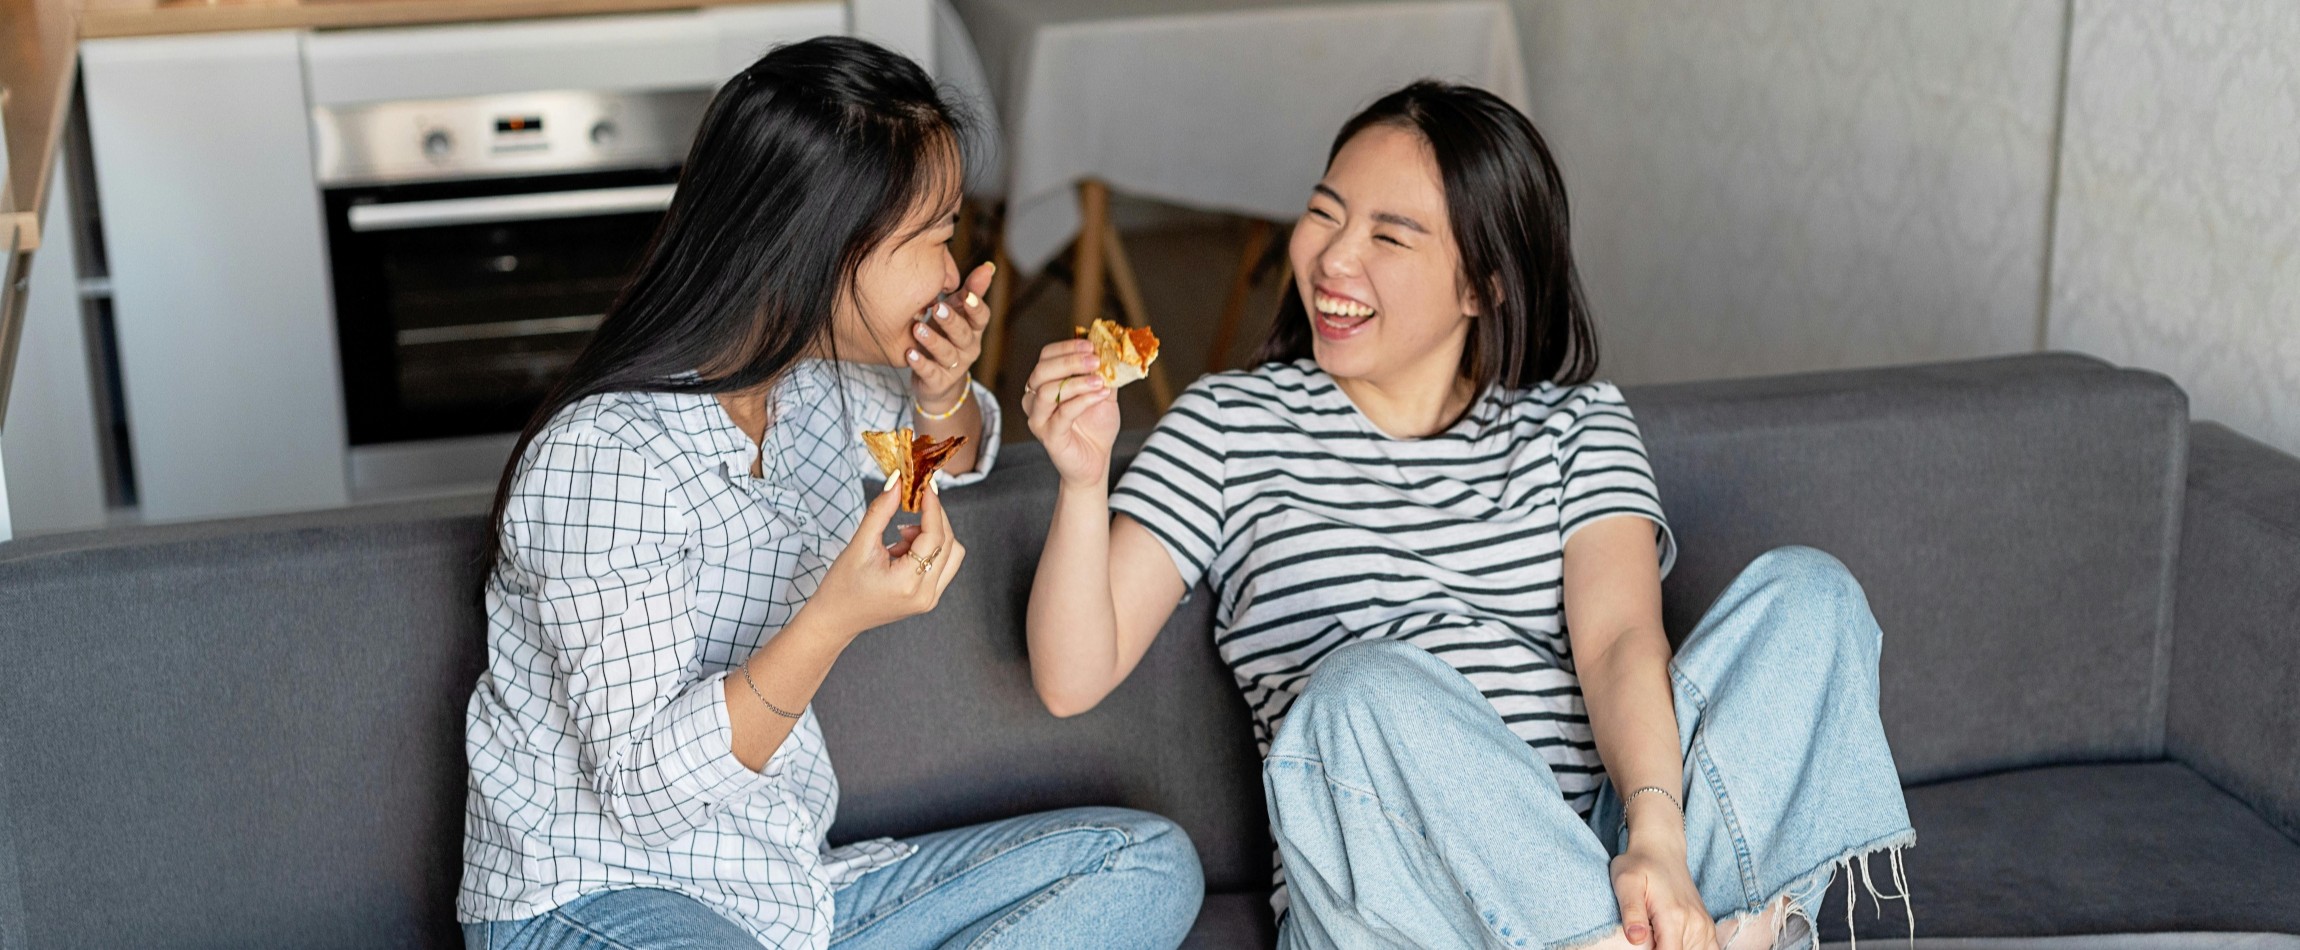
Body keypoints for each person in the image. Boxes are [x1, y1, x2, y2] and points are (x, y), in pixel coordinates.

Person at [1020, 80, 1912, 950]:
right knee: (1361, 692)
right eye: (1326, 213)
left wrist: (1657, 845)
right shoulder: (1228, 423)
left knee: (1810, 598)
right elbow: (1069, 677)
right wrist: (1082, 481)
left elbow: (1618, 642)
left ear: (1482, 286)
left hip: (1601, 860)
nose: (1333, 259)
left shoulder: (1577, 423)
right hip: (1395, 902)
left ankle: (1660, 932)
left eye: (1389, 236)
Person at [458, 37, 1202, 950]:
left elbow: (946, 459)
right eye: (934, 238)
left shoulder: (812, 385)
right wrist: (833, 619)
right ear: (814, 247)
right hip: (593, 898)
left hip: (779, 894)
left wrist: (940, 390)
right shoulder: (602, 459)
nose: (952, 273)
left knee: (1142, 864)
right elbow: (644, 797)